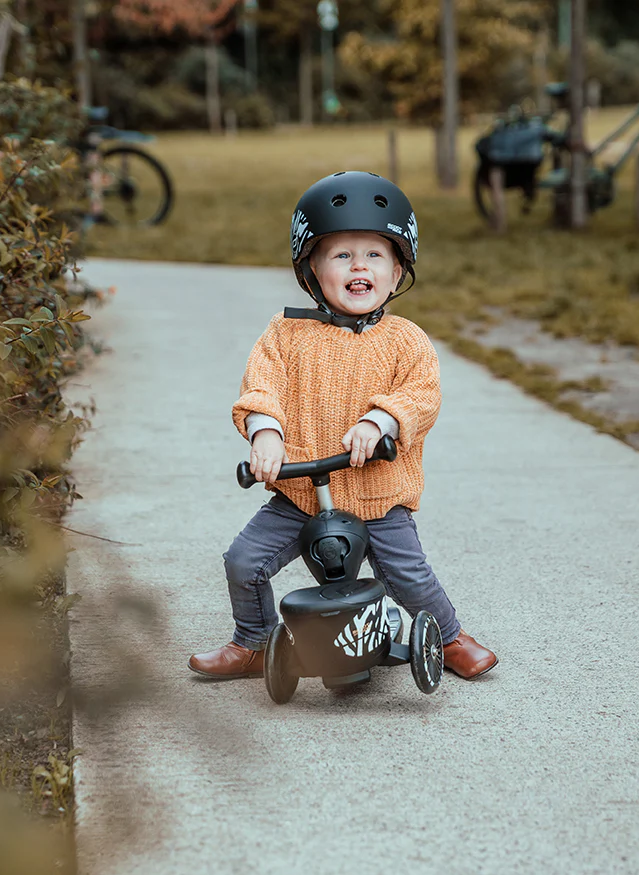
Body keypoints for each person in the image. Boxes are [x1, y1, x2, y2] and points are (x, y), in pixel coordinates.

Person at [189, 171, 497, 682]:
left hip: (377, 495)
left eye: (375, 255)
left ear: (398, 272)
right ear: (312, 270)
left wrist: (381, 421)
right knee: (244, 561)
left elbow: (421, 396)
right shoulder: (286, 333)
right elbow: (260, 385)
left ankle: (448, 635)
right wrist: (266, 432)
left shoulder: (406, 341)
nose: (359, 266)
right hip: (299, 493)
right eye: (341, 255)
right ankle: (254, 641)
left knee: (409, 573)